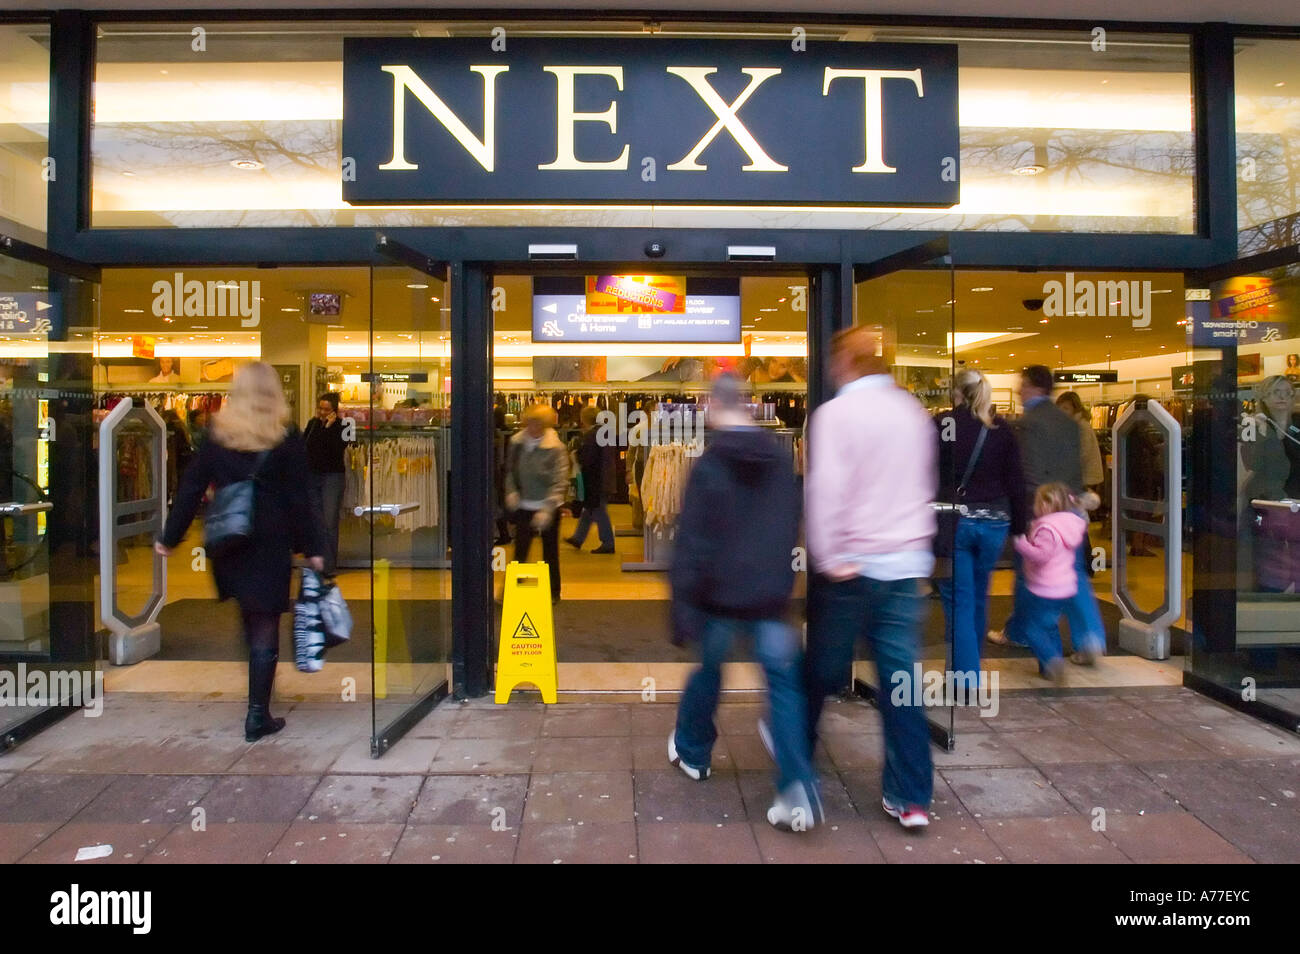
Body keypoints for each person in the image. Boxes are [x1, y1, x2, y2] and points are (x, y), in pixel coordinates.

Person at [667, 374, 819, 829]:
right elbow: (790, 519)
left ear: (715, 405)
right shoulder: (778, 458)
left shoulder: (709, 465)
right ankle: (796, 788)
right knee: (785, 688)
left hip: (719, 596)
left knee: (709, 671)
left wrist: (682, 607)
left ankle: (693, 751)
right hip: (769, 596)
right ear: (748, 406)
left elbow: (692, 543)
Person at [803, 326, 938, 830]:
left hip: (852, 566)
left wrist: (827, 555)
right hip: (905, 565)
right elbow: (923, 484)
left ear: (844, 363)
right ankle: (911, 797)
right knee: (901, 683)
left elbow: (826, 493)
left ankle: (796, 769)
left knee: (819, 671)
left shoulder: (836, 415)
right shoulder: (912, 412)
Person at [155, 362, 325, 742]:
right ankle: (257, 713)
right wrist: (314, 547)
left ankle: (259, 686)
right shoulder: (286, 434)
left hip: (229, 537)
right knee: (265, 619)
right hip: (270, 539)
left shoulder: (217, 432)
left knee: (250, 614)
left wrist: (170, 535)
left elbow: (191, 486)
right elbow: (302, 497)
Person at [990, 365, 1107, 667]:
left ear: (1033, 387)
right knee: (1075, 573)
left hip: (1041, 509)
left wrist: (1027, 514)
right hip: (1071, 508)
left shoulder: (1027, 424)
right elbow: (1075, 469)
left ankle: (1021, 633)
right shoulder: (1069, 423)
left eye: (1022, 385)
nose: (1019, 390)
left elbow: (1027, 473)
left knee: (1030, 572)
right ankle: (1090, 637)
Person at [934, 368, 1026, 695]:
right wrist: (1020, 528)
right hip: (995, 524)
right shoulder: (1002, 430)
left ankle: (965, 677)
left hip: (956, 522)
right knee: (978, 596)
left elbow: (928, 471)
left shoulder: (944, 424)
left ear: (955, 392)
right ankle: (964, 669)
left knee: (958, 599)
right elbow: (1016, 481)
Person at [1012, 483, 1091, 684]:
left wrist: (1021, 542)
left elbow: (1041, 555)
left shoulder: (1047, 528)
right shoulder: (1070, 524)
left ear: (1046, 505)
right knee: (1050, 626)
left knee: (1032, 628)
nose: (1034, 507)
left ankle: (1052, 662)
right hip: (1065, 587)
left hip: (1045, 588)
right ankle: (1047, 670)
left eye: (1037, 503)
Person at [504, 403, 570, 603]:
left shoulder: (556, 447)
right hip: (523, 505)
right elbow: (509, 471)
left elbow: (560, 479)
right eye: (530, 423)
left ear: (545, 424)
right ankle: (512, 591)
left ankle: (553, 592)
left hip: (547, 507)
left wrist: (548, 508)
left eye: (538, 424)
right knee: (520, 552)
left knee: (550, 552)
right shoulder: (516, 443)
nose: (533, 427)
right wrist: (512, 492)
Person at [303, 391, 346, 575]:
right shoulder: (312, 425)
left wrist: (329, 427)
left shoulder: (342, 427)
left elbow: (336, 451)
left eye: (326, 409)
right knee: (314, 520)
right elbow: (307, 446)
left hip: (332, 477)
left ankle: (328, 565)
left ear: (334, 410)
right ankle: (316, 561)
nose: (321, 412)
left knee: (329, 521)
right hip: (313, 476)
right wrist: (320, 427)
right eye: (320, 408)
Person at [566, 405, 617, 553]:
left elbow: (589, 458)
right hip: (604, 477)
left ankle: (608, 542)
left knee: (598, 509)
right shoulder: (605, 432)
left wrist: (576, 455)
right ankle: (578, 537)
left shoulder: (592, 435)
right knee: (589, 510)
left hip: (595, 479)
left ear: (584, 419)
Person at [1056, 391, 1104, 490]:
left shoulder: (1081, 426)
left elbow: (1083, 452)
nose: (1062, 411)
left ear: (1075, 409)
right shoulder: (1071, 425)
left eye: (1066, 408)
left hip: (1086, 478)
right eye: (1060, 408)